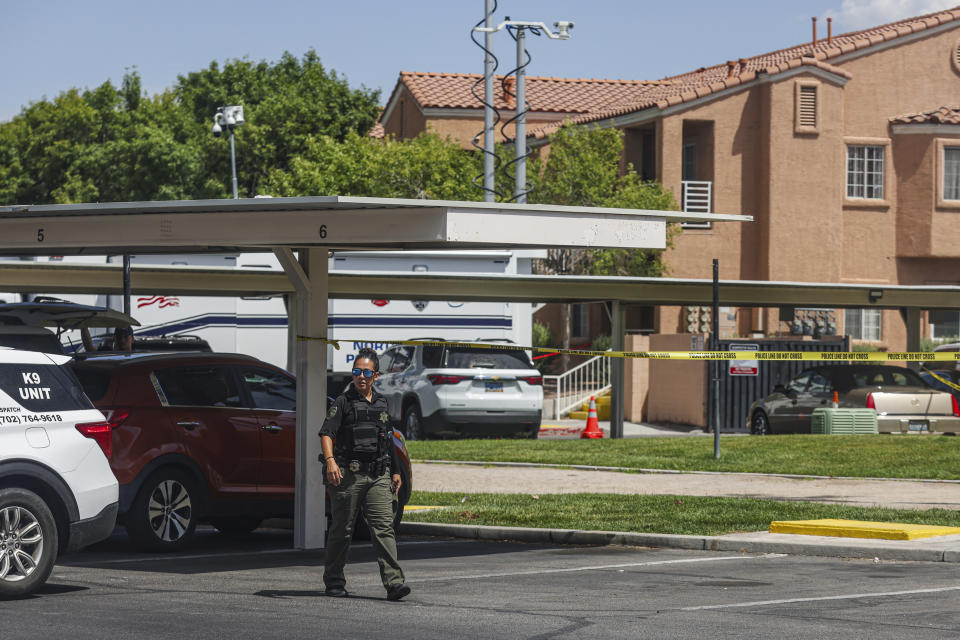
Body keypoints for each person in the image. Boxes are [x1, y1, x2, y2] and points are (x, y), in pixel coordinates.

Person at [319, 348, 410, 601]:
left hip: (378, 476)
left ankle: (394, 583)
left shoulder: (382, 403)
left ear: (375, 375)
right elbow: (327, 433)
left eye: (366, 372)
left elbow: (387, 437)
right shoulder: (343, 403)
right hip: (348, 476)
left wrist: (395, 471)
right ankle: (334, 581)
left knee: (384, 528)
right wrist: (330, 462)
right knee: (342, 530)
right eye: (357, 371)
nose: (361, 376)